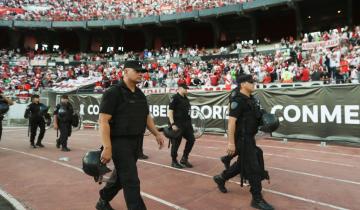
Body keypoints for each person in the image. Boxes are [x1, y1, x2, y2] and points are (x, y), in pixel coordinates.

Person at [96, 60, 165, 210]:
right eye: (137, 71)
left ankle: (103, 200)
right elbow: (103, 121)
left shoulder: (140, 94)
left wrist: (157, 134)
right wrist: (107, 147)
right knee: (131, 181)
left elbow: (146, 116)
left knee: (121, 177)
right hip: (120, 142)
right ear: (125, 72)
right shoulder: (113, 93)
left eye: (142, 71)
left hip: (136, 142)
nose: (141, 73)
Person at [213, 74, 274, 210]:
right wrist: (230, 143)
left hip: (250, 138)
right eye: (251, 82)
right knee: (253, 166)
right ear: (243, 84)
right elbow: (231, 123)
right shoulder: (238, 100)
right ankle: (257, 199)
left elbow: (259, 116)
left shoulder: (252, 99)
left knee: (243, 163)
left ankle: (221, 178)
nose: (253, 84)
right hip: (241, 139)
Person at [167, 83, 196, 169]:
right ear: (180, 88)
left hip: (187, 125)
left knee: (191, 139)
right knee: (176, 143)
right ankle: (174, 161)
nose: (187, 90)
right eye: (185, 88)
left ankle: (184, 158)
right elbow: (170, 112)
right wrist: (172, 124)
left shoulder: (186, 98)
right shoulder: (175, 98)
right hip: (177, 125)